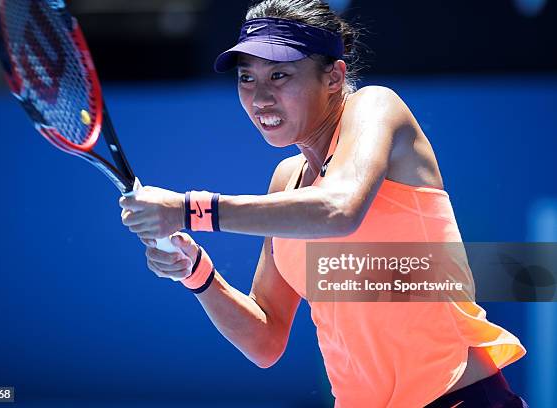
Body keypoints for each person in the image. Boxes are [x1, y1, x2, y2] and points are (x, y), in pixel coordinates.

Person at [119, 1, 527, 406]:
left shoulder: (376, 106)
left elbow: (339, 209)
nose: (260, 97)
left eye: (279, 75)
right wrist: (197, 272)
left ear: (334, 76)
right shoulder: (285, 182)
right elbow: (266, 340)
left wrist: (189, 209)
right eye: (246, 78)